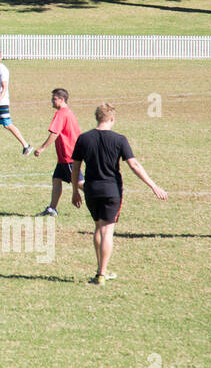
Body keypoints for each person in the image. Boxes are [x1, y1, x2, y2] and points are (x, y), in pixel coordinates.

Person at [70, 103, 167, 284]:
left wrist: (75, 190)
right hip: (111, 191)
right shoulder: (119, 139)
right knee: (108, 231)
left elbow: (75, 167)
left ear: (96, 117)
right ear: (112, 119)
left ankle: (100, 269)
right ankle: (102, 273)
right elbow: (134, 165)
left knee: (98, 228)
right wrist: (153, 186)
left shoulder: (83, 138)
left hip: (91, 191)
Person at [34, 88, 81, 216]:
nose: (52, 101)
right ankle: (52, 208)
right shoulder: (68, 112)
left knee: (79, 182)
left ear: (62, 99)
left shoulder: (61, 113)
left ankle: (102, 198)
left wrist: (42, 148)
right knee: (56, 179)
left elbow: (55, 132)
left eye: (54, 99)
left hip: (68, 155)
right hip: (65, 155)